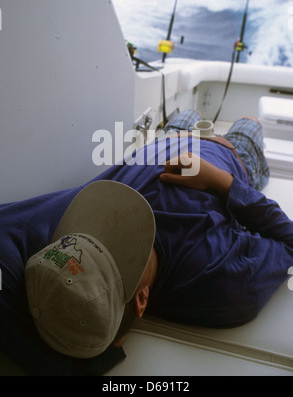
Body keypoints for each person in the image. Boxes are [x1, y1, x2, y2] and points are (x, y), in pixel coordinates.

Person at [1, 110, 292, 375]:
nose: (108, 222)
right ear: (142, 300)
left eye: (85, 235)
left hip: (166, 139)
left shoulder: (58, 229)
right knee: (249, 121)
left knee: (186, 113)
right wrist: (222, 182)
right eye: (118, 249)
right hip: (227, 152)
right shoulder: (224, 283)